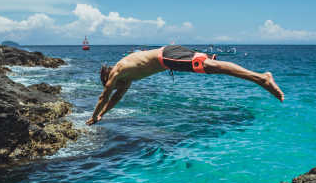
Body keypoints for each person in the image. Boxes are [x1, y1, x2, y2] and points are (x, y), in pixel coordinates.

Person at [86, 45, 284, 125]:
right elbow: (115, 98)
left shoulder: (118, 72)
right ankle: (260, 78)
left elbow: (105, 96)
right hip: (170, 55)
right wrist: (103, 114)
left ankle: (261, 78)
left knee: (213, 67)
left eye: (112, 85)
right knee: (212, 67)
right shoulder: (125, 77)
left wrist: (94, 116)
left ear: (108, 79)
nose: (117, 87)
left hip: (167, 57)